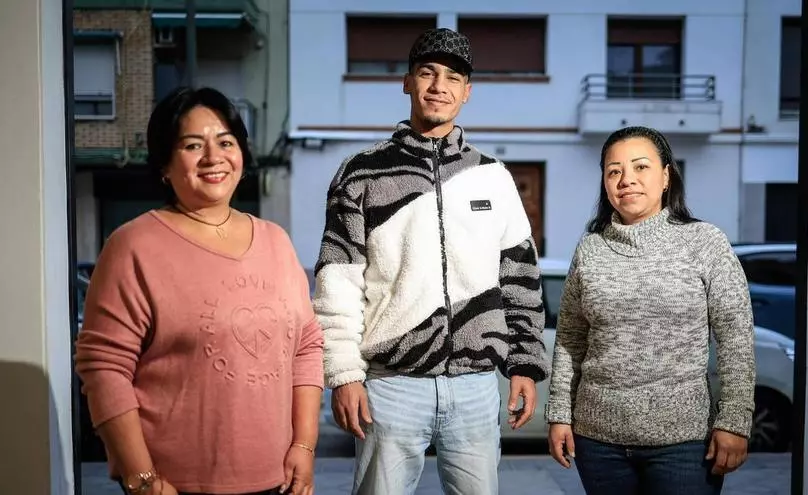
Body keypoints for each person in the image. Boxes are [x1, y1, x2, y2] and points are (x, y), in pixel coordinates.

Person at [313, 28, 548, 495]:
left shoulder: (493, 176)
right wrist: (343, 374)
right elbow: (337, 281)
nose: (440, 86)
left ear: (467, 92)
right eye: (428, 73)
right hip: (391, 387)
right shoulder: (362, 173)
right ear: (407, 82)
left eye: (453, 77)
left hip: (476, 387)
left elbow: (519, 277)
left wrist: (524, 362)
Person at [75, 87, 324, 495]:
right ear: (164, 164)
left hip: (278, 479)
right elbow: (104, 368)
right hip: (174, 484)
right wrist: (141, 478)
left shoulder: (276, 240)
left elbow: (307, 347)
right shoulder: (134, 246)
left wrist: (304, 444)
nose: (213, 157)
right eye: (193, 145)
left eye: (226, 142)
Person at [545, 126, 756, 494]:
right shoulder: (590, 248)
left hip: (684, 444)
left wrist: (735, 421)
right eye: (614, 171)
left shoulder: (705, 242)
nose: (626, 179)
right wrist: (560, 414)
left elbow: (735, 336)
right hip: (598, 443)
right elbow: (570, 339)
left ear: (666, 176)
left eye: (641, 167)